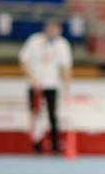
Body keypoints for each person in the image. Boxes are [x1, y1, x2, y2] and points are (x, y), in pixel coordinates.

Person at [19, 20, 73, 155]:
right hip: (35, 84)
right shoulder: (34, 40)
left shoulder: (62, 44)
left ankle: (55, 146)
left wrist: (66, 87)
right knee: (35, 115)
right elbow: (23, 60)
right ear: (45, 29)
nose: (53, 32)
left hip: (52, 84)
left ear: (59, 30)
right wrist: (31, 78)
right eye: (50, 29)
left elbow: (66, 66)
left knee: (52, 115)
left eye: (55, 29)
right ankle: (36, 146)